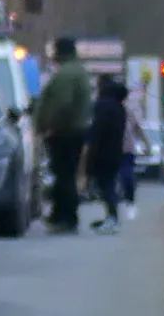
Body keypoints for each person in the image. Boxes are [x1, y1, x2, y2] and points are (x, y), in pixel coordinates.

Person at [33, 38, 94, 233]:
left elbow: (62, 104)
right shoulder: (77, 71)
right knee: (66, 173)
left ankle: (65, 217)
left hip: (65, 132)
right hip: (74, 130)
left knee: (63, 174)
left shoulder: (66, 74)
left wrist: (50, 126)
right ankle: (62, 215)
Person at [81, 58, 135, 225]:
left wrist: (89, 147)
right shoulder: (119, 107)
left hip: (101, 153)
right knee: (109, 184)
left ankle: (112, 218)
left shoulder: (102, 106)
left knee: (105, 187)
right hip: (115, 152)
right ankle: (111, 216)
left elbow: (96, 130)